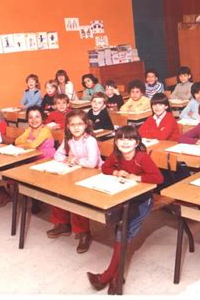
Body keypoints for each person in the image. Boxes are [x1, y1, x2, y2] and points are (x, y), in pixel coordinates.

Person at [87, 126, 163, 295]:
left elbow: (158, 178)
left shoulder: (142, 158)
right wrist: (116, 171)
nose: (125, 143)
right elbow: (105, 168)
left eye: (129, 139)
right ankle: (115, 278)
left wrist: (138, 177)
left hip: (142, 200)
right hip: (123, 197)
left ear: (136, 142)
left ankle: (108, 276)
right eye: (121, 139)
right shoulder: (116, 155)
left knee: (123, 232)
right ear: (116, 142)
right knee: (120, 228)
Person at [47, 110, 103, 253]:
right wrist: (67, 159)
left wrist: (74, 160)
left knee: (77, 198)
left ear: (86, 125)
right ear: (68, 127)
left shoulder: (89, 140)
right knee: (57, 190)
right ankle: (63, 223)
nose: (76, 128)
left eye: (80, 124)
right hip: (76, 172)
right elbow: (57, 155)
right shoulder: (69, 140)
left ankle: (84, 232)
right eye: (72, 125)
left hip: (93, 174)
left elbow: (92, 163)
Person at [15, 106, 56, 214]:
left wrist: (27, 143)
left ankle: (37, 200)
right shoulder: (29, 130)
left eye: (37, 117)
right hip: (34, 158)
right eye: (30, 117)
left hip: (47, 159)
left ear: (43, 118)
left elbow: (33, 145)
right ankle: (35, 199)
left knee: (33, 173)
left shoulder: (45, 130)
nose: (34, 120)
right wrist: (26, 142)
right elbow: (17, 141)